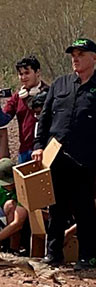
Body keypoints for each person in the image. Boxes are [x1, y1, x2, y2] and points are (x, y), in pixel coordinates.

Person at [33, 38, 96, 270]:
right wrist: (38, 146)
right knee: (55, 208)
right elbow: (44, 118)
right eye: (73, 55)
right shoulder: (60, 85)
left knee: (85, 209)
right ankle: (53, 254)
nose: (75, 58)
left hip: (86, 161)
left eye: (81, 54)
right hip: (56, 158)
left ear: (94, 58)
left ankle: (87, 256)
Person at [0, 56, 49, 163]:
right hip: (24, 151)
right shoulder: (18, 97)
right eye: (20, 74)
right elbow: (2, 121)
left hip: (45, 149)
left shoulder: (51, 93)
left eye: (27, 73)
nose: (23, 77)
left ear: (37, 72)